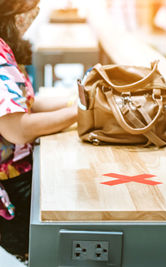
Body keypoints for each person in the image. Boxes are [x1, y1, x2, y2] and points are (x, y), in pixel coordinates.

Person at [0, 0, 77, 263]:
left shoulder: (4, 48)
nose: (33, 13)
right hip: (10, 182)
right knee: (26, 252)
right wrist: (80, 113)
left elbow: (25, 104)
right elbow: (17, 129)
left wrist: (73, 100)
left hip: (17, 175)